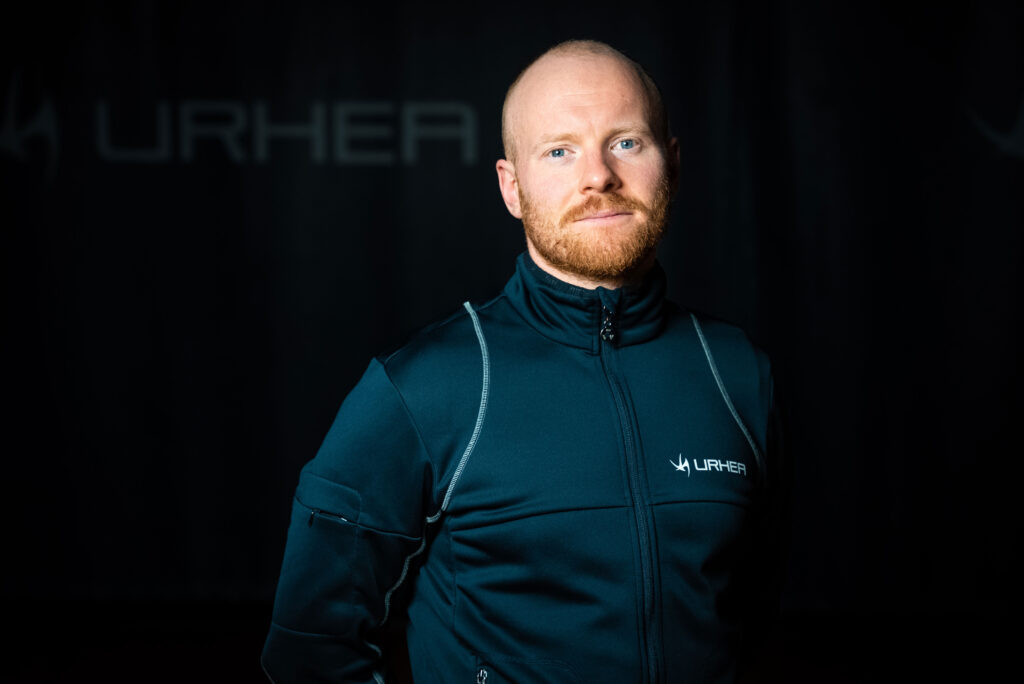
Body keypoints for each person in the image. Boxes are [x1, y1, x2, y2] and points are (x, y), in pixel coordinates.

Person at [262, 39, 782, 684]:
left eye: (626, 142)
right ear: (512, 187)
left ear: (671, 162)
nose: (599, 176)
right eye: (559, 151)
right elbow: (309, 648)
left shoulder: (737, 373)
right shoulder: (425, 387)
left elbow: (753, 622)